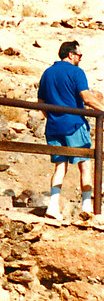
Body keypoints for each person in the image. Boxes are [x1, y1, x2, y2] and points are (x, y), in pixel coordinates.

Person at [38, 41, 104, 218]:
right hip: (74, 124)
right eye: (80, 55)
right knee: (85, 165)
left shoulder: (47, 73)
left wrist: (52, 117)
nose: (81, 59)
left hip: (53, 126)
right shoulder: (76, 72)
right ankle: (87, 207)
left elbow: (41, 103)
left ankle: (52, 206)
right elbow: (86, 98)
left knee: (60, 167)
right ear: (71, 55)